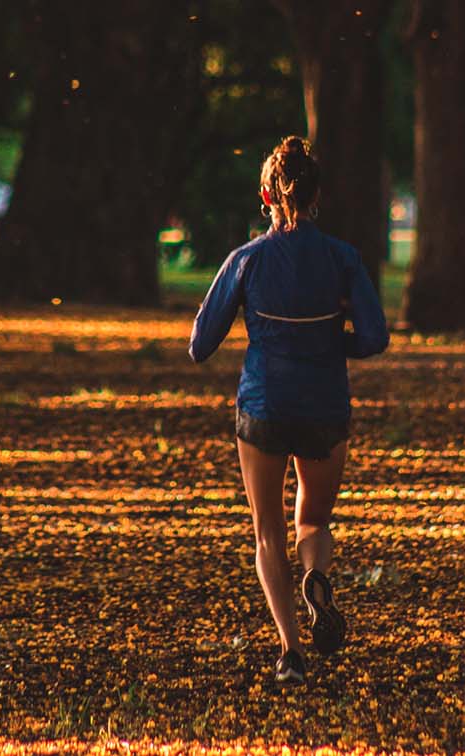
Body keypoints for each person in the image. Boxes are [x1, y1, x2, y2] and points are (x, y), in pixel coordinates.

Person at [189, 136, 390, 684]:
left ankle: (290, 653)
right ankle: (316, 579)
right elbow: (374, 338)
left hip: (263, 406)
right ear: (317, 194)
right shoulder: (344, 259)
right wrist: (329, 341)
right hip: (325, 405)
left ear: (265, 196)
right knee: (315, 519)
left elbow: (200, 344)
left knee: (267, 532)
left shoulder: (246, 260)